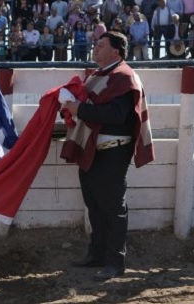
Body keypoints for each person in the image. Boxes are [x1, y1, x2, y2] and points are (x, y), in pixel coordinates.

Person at [60, 31, 154, 281]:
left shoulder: (124, 76)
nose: (96, 48)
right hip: (93, 149)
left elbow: (116, 115)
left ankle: (115, 261)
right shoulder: (100, 76)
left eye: (101, 45)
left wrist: (79, 108)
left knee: (112, 208)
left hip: (112, 151)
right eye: (96, 44)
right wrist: (71, 107)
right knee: (95, 205)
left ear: (116, 51)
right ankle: (97, 254)